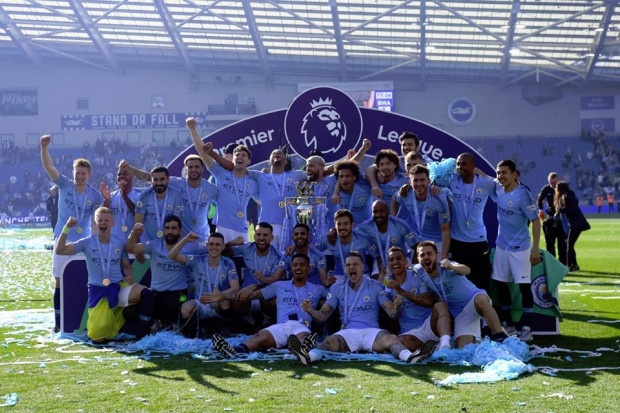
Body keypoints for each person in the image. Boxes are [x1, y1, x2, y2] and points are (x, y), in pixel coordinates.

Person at [299, 252, 436, 364]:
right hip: (348, 332)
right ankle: (309, 357)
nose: (351, 267)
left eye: (355, 264)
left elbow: (392, 314)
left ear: (362, 267)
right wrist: (310, 310)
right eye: (348, 265)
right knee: (329, 342)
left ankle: (409, 357)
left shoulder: (375, 286)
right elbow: (322, 316)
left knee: (391, 339)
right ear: (345, 269)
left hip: (372, 332)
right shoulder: (337, 288)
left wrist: (397, 307)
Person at [54, 207, 153, 341]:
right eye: (100, 220)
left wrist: (129, 274)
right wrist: (66, 228)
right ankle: (118, 322)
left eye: (106, 220)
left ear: (112, 223)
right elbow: (60, 250)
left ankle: (141, 336)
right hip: (98, 292)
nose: (103, 223)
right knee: (98, 339)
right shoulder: (87, 242)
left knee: (147, 294)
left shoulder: (119, 243)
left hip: (118, 288)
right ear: (95, 223)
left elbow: (127, 267)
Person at [211, 253, 327, 364]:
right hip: (282, 325)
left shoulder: (317, 289)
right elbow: (251, 296)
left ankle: (304, 351)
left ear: (308, 268)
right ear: (291, 268)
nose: (298, 268)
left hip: (301, 326)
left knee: (302, 338)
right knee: (259, 336)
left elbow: (334, 298)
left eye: (302, 265)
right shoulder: (280, 285)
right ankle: (234, 351)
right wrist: (223, 296)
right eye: (295, 265)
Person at [40, 134, 103, 333]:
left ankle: (84, 319)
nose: (79, 176)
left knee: (85, 280)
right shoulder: (65, 185)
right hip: (62, 240)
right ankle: (58, 323)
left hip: (83, 243)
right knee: (59, 282)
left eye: (83, 173)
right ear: (73, 173)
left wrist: (96, 241)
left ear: (89, 175)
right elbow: (49, 167)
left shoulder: (94, 195)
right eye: (77, 173)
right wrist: (44, 148)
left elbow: (98, 220)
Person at [414, 242, 509, 348]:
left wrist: (452, 266)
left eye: (429, 253)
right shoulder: (419, 271)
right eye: (422, 255)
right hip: (460, 314)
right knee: (463, 349)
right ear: (418, 259)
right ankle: (486, 339)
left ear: (437, 256)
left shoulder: (446, 266)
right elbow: (408, 269)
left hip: (473, 300)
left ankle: (499, 335)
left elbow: (467, 270)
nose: (426, 257)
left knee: (481, 299)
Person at [491, 159, 541, 341]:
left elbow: (536, 221)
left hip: (520, 248)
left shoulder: (522, 194)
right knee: (500, 283)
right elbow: (484, 176)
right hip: (501, 246)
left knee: (523, 286)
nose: (500, 176)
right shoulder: (498, 188)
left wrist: (535, 249)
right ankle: (508, 324)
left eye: (504, 172)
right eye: (498, 173)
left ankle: (527, 327)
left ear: (514, 174)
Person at [187, 117, 258, 243]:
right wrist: (192, 128)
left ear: (249, 161)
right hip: (222, 229)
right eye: (237, 155)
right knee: (221, 255)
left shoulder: (252, 182)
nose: (240, 157)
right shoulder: (221, 174)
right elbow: (202, 153)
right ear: (233, 159)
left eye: (243, 155)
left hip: (242, 230)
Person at [126, 216, 197, 330]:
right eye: (167, 228)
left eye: (174, 228)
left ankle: (170, 324)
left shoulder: (189, 247)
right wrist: (134, 233)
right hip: (157, 294)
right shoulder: (154, 245)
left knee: (171, 302)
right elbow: (130, 248)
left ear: (180, 231)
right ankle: (155, 323)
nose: (170, 231)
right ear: (163, 230)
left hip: (180, 295)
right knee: (129, 312)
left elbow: (212, 249)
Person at [122, 156, 218, 240]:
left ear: (202, 169)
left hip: (203, 238)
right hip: (182, 240)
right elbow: (149, 178)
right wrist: (129, 168)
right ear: (186, 170)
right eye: (190, 167)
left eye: (197, 167)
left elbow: (223, 202)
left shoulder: (210, 188)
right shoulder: (176, 183)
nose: (193, 169)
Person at [440, 153, 496, 292]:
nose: (460, 167)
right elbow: (430, 180)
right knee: (458, 281)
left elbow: (504, 186)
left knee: (482, 281)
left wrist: (483, 174)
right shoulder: (452, 180)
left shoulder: (486, 183)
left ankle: (485, 306)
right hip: (457, 241)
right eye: (458, 164)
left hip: (478, 241)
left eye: (464, 164)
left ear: (473, 166)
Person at [168, 232, 239, 337]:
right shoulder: (198, 260)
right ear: (207, 245)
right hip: (201, 302)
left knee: (225, 302)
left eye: (217, 244)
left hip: (218, 301)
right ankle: (191, 336)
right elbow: (172, 255)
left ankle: (224, 330)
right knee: (185, 308)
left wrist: (220, 295)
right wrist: (186, 239)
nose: (214, 247)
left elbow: (235, 287)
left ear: (223, 247)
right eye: (211, 244)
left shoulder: (228, 263)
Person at [385, 247, 452, 352]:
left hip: (429, 324)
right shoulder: (387, 285)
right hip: (411, 333)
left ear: (406, 262)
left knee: (440, 305)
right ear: (388, 264)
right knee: (399, 341)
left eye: (398, 258)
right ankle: (433, 347)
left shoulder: (416, 274)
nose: (395, 262)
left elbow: (427, 301)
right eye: (391, 260)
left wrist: (400, 291)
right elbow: (393, 317)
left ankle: (445, 345)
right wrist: (397, 307)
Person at [392, 164, 451, 260]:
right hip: (413, 241)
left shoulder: (439, 199)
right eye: (415, 180)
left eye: (422, 180)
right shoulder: (405, 192)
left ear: (429, 181)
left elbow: (445, 230)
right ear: (410, 182)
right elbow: (395, 200)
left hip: (435, 243)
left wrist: (444, 256)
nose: (419, 184)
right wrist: (395, 220)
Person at [355, 200, 417, 278]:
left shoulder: (400, 225)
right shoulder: (366, 227)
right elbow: (352, 233)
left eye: (382, 211)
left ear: (388, 211)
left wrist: (414, 267)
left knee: (404, 278)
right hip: (380, 258)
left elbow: (416, 247)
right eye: (375, 212)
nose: (378, 214)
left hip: (400, 257)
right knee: (376, 278)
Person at [318, 209, 379, 282]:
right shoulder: (329, 239)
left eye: (345, 224)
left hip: (361, 274)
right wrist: (323, 274)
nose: (342, 227)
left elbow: (378, 256)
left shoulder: (363, 238)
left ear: (352, 224)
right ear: (335, 225)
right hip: (339, 276)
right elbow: (313, 251)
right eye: (339, 224)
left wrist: (376, 274)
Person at [134, 166, 184, 242]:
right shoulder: (144, 196)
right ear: (151, 180)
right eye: (155, 180)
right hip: (148, 244)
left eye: (162, 179)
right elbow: (137, 225)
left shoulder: (176, 195)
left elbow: (178, 224)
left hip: (169, 243)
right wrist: (137, 246)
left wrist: (177, 245)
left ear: (168, 179)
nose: (159, 183)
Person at [279, 223, 334, 288]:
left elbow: (324, 280)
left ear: (309, 236)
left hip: (314, 290)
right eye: (296, 234)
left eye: (302, 234)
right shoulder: (288, 254)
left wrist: (328, 282)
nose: (299, 236)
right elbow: (276, 277)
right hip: (294, 290)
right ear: (292, 237)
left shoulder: (318, 255)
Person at [554, 181, 591, 272]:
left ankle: (571, 265)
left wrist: (561, 210)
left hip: (576, 224)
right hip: (576, 223)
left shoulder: (568, 196)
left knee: (569, 245)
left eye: (557, 188)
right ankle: (573, 265)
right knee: (569, 244)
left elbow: (572, 209)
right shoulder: (568, 195)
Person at [331, 160, 373, 225]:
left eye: (347, 176)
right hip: (346, 227)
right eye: (341, 176)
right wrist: (335, 193)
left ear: (354, 177)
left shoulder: (365, 186)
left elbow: (371, 168)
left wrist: (375, 185)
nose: (344, 179)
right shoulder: (333, 188)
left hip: (367, 226)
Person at [537, 172, 560, 257]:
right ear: (549, 181)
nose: (553, 184)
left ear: (557, 180)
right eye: (551, 182)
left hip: (560, 216)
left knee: (562, 242)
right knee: (549, 241)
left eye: (555, 182)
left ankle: (563, 262)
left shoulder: (561, 188)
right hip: (550, 216)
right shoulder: (546, 189)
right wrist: (540, 210)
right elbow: (540, 200)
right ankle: (551, 260)